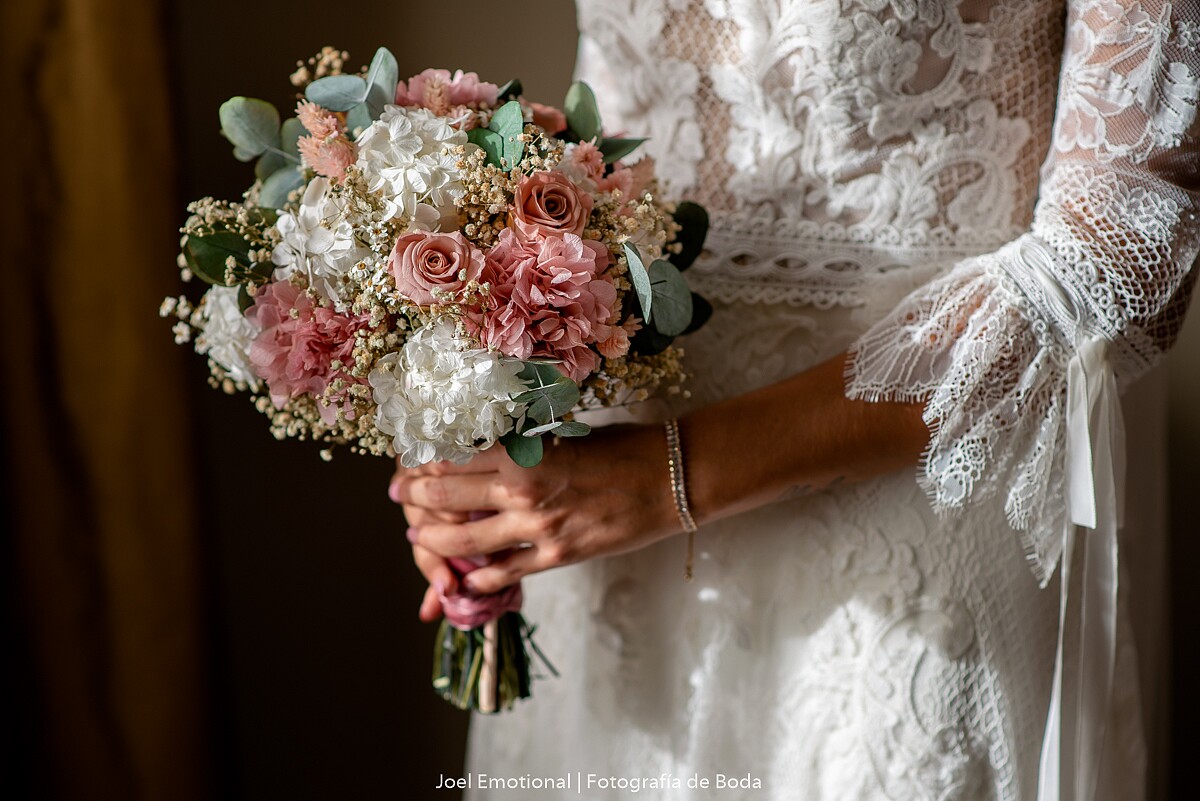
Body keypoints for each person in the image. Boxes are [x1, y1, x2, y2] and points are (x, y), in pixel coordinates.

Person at [390, 1, 1200, 799]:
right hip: (596, 505)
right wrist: (478, 398)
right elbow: (612, 122)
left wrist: (662, 478)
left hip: (910, 498)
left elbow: (1114, 257)